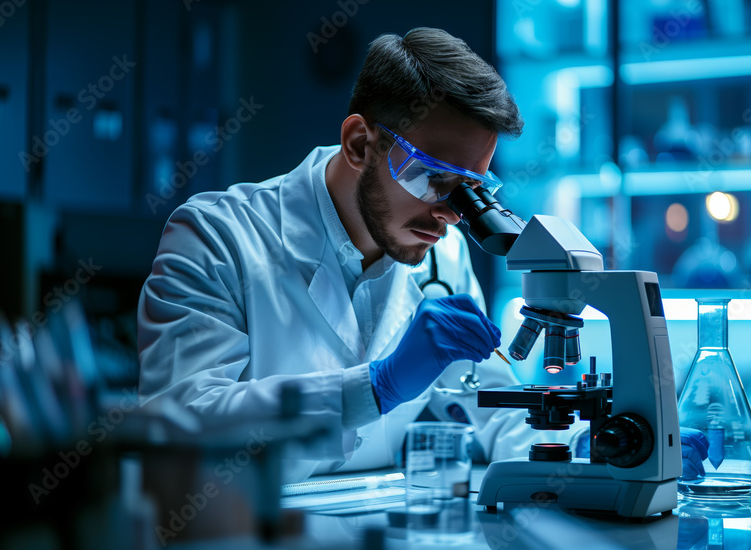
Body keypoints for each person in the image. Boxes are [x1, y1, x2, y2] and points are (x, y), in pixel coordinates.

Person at [137, 27, 704, 483]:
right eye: (434, 178)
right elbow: (179, 430)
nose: (453, 212)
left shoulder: (442, 253)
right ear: (361, 143)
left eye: (472, 189)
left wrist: (589, 449)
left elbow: (489, 407)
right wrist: (377, 385)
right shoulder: (215, 236)